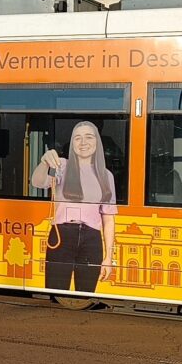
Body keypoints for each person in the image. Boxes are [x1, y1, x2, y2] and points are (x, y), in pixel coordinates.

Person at [32, 120, 117, 296]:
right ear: (72, 143)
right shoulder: (61, 165)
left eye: (88, 137)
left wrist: (108, 258)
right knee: (55, 291)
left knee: (86, 293)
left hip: (92, 238)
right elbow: (38, 182)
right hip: (62, 234)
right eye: (77, 138)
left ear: (97, 141)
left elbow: (108, 219)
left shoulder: (106, 176)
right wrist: (44, 162)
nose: (83, 142)